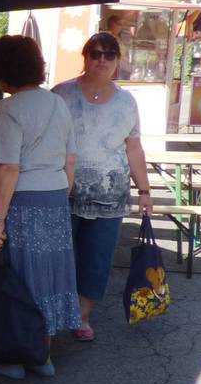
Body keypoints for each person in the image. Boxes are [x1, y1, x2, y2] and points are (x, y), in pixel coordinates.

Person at [0, 35, 79, 380]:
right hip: (54, 197)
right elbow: (69, 159)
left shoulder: (9, 108)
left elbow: (8, 168)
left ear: (3, 71)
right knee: (47, 275)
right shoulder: (58, 103)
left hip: (18, 201)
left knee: (14, 274)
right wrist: (61, 196)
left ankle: (11, 356)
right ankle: (42, 356)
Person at [52, 33, 152, 345]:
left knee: (97, 258)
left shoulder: (126, 101)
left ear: (118, 61)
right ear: (85, 56)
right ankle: (56, 310)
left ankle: (82, 316)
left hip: (110, 196)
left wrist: (145, 191)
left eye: (109, 55)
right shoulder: (62, 94)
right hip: (63, 192)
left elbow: (133, 148)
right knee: (60, 255)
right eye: (95, 53)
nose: (102, 60)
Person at [106, 14, 133, 80]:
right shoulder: (108, 38)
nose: (120, 27)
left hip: (124, 68)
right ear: (112, 25)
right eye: (118, 24)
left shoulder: (119, 38)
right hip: (117, 69)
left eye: (121, 25)